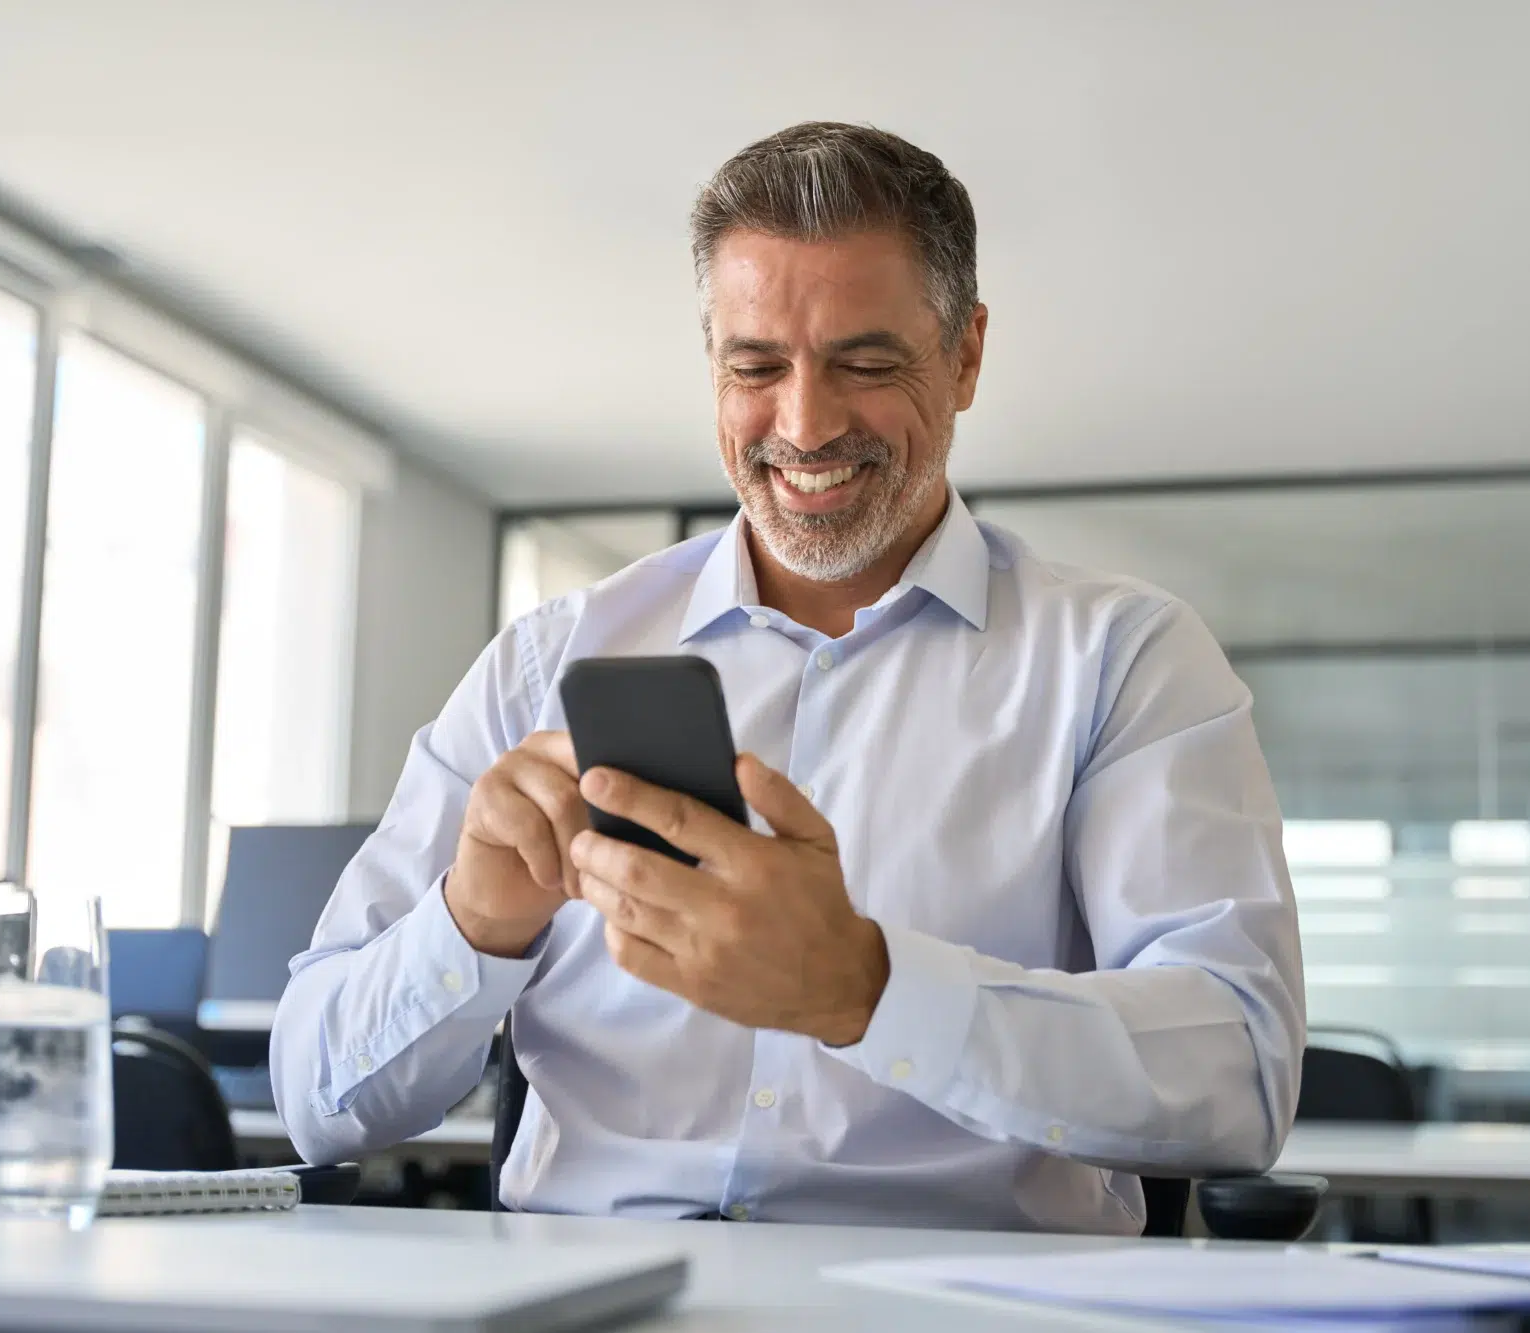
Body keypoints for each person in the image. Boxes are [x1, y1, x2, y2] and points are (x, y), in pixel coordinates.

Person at [272, 121, 1305, 1233]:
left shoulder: (1118, 661)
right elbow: (315, 1100)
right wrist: (471, 921)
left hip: (942, 1308)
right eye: (755, 367)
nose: (803, 426)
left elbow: (1235, 1072)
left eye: (865, 364)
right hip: (580, 1297)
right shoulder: (548, 659)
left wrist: (866, 990)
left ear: (963, 357)